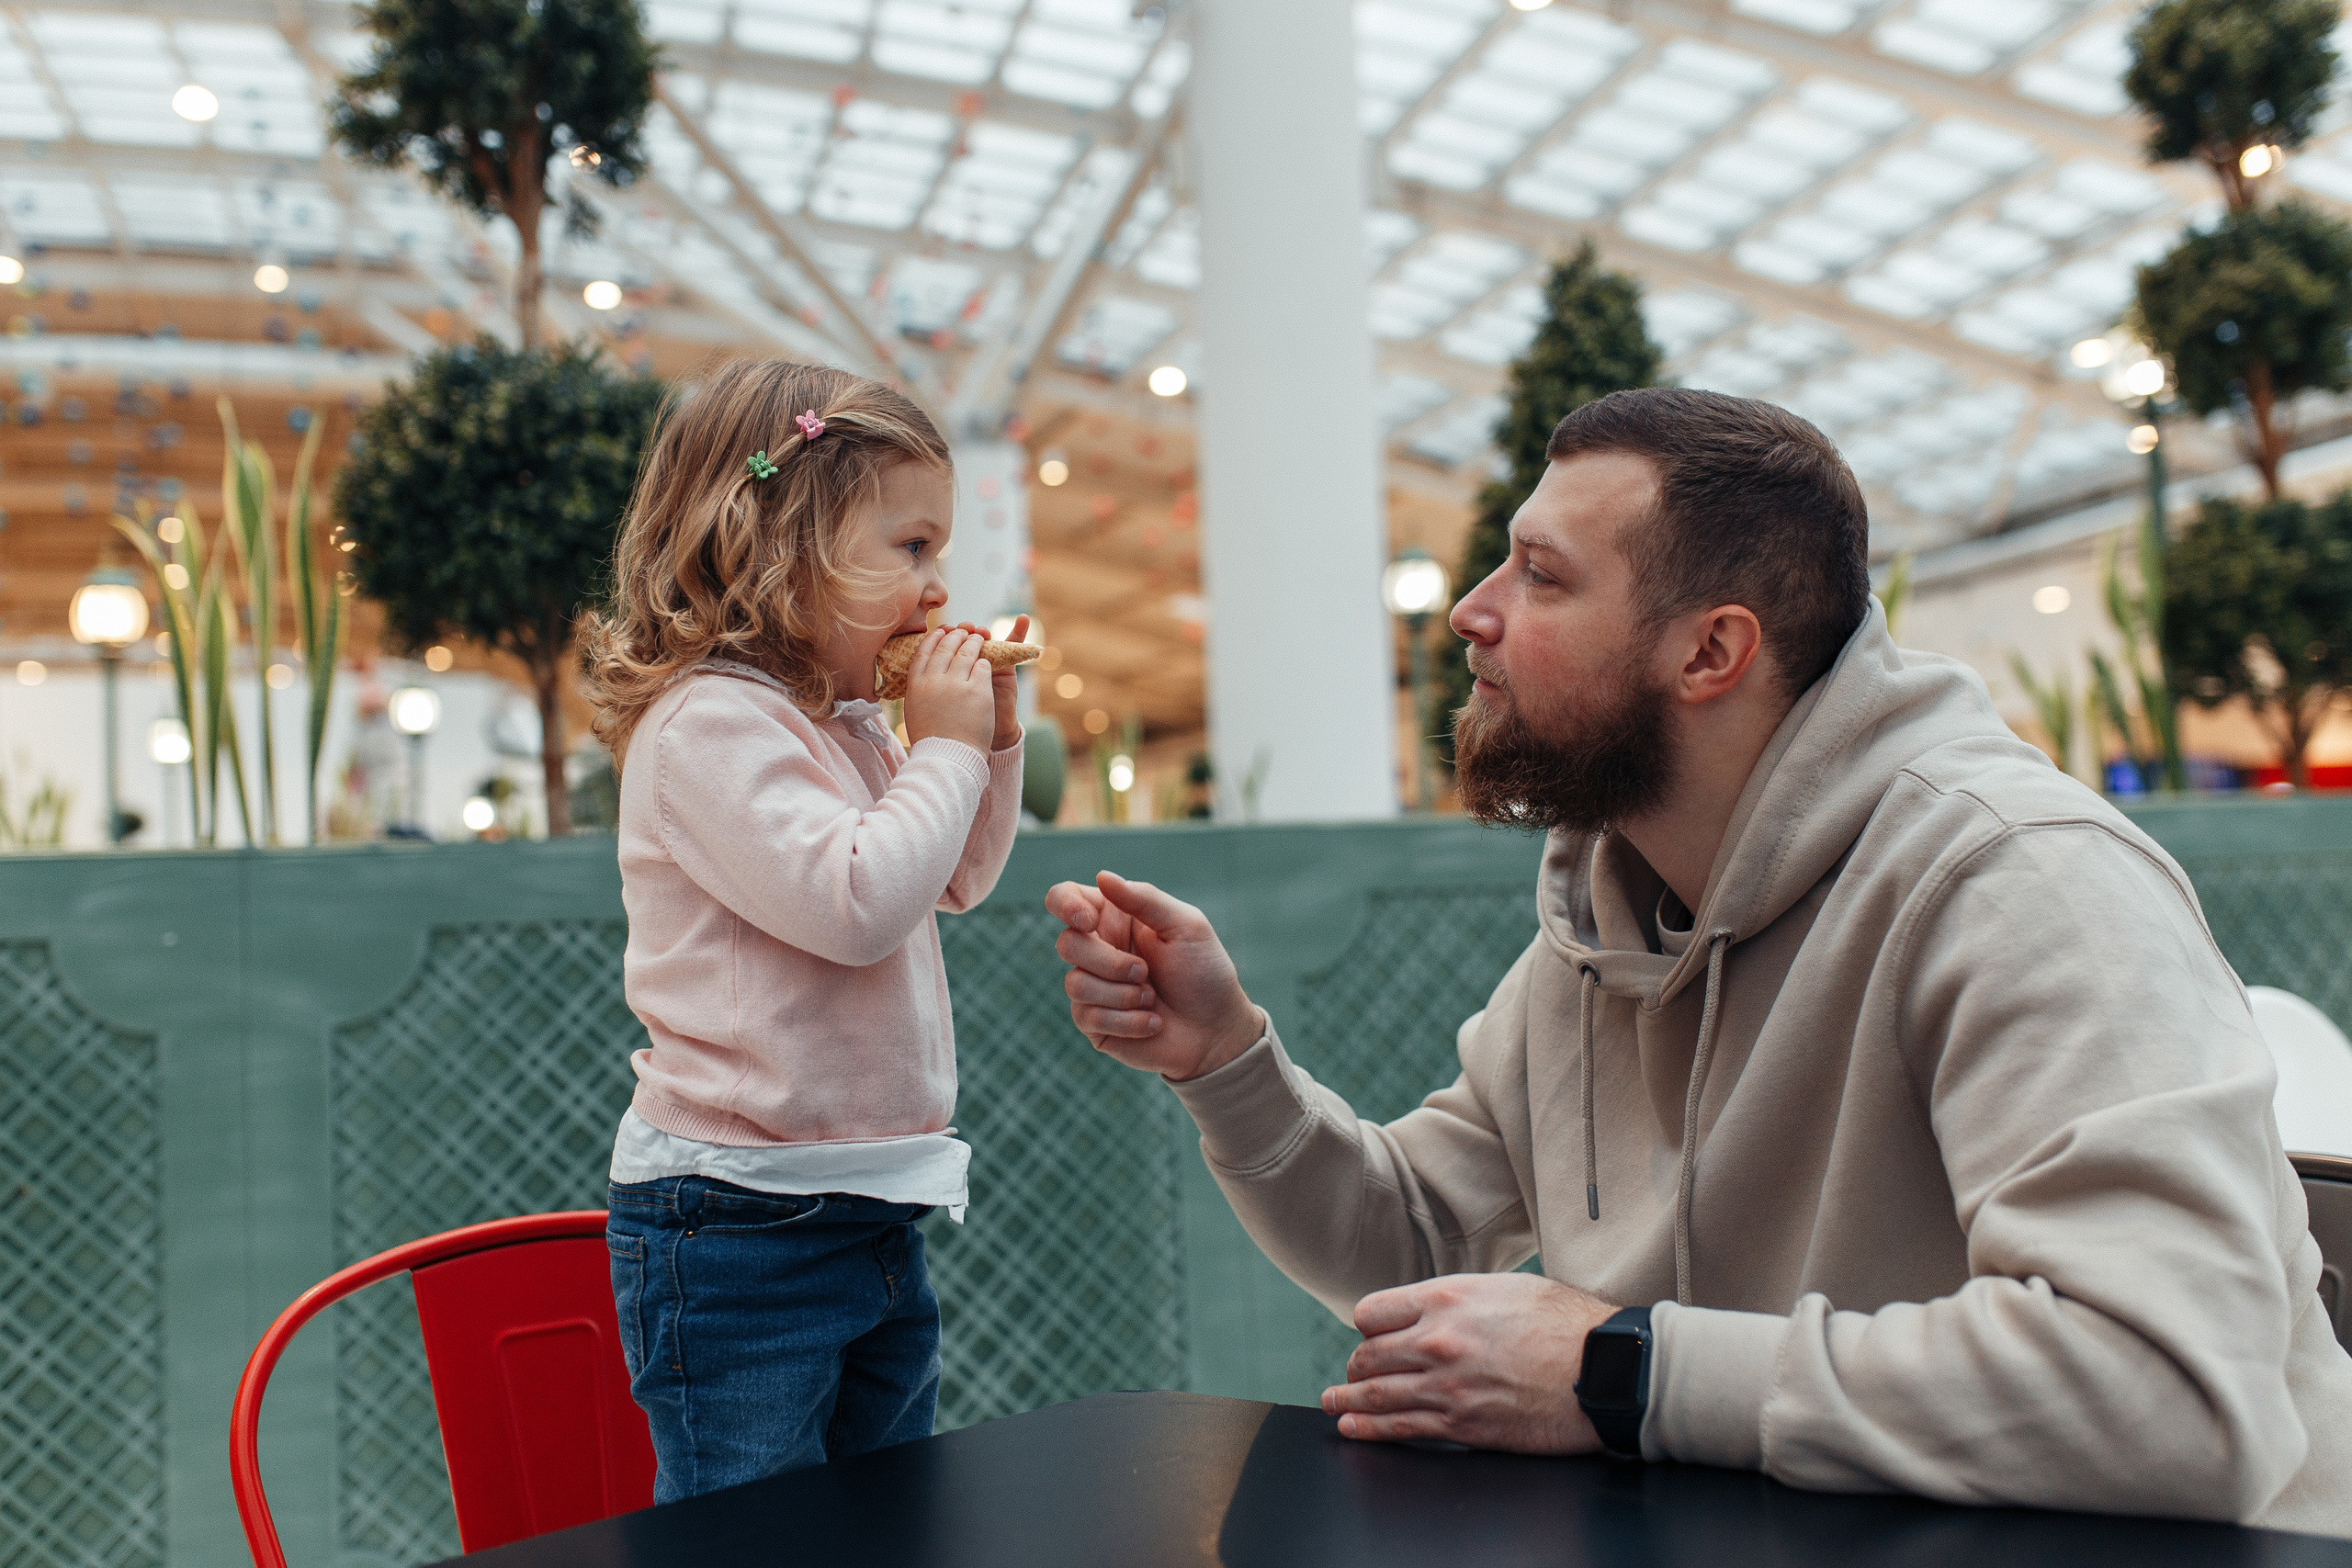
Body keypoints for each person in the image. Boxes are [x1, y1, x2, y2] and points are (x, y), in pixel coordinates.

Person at [1046, 387, 2352, 1535]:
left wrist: (1621, 1369)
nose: (1470, 612)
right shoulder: (1614, 914)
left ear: (1711, 650)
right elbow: (1407, 1235)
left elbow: (2171, 1391)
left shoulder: (2025, 880)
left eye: (1542, 578)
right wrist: (1226, 1059)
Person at [582, 359, 1027, 1502]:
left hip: (870, 1202)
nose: (937, 589)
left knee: (880, 1518)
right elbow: (858, 905)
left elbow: (956, 876)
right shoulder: (707, 728)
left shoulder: (850, 721)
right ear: (778, 541)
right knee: (758, 1532)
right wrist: (944, 749)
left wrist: (988, 745)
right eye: (909, 547)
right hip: (737, 1224)